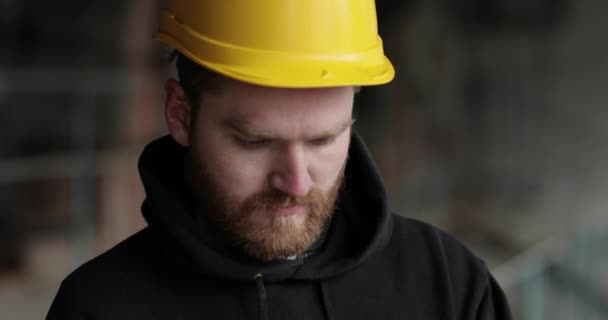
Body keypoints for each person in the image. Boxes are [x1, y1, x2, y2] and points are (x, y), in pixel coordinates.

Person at [47, 1, 511, 319]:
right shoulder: (99, 308)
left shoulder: (448, 284)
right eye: (254, 142)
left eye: (325, 140)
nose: (295, 182)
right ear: (180, 114)